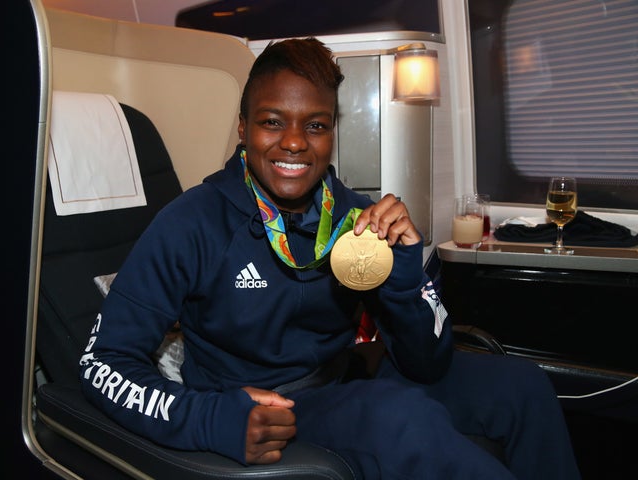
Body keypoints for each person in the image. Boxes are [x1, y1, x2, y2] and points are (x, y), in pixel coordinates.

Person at [79, 38, 581, 479]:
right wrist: (215, 419)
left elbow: (429, 363)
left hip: (346, 374)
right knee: (401, 418)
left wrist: (404, 273)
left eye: (314, 125)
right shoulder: (192, 223)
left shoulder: (358, 216)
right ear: (242, 128)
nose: (295, 142)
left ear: (332, 131)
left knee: (523, 387)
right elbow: (103, 362)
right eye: (272, 122)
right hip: (270, 405)